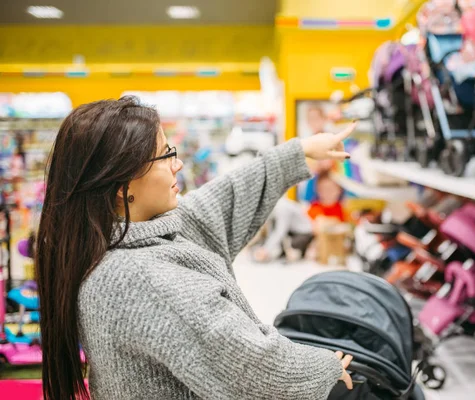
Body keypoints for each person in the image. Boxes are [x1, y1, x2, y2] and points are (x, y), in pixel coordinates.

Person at [35, 96, 357, 400]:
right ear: (123, 186)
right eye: (164, 155)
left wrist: (300, 151)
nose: (177, 164)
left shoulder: (115, 239)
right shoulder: (142, 280)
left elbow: (224, 199)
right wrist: (323, 368)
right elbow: (251, 367)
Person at [253, 197, 315, 263]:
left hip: (304, 232)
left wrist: (265, 250)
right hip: (291, 230)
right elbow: (272, 229)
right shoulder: (273, 207)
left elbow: (280, 231)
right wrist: (266, 248)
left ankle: (301, 252)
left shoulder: (282, 208)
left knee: (291, 247)